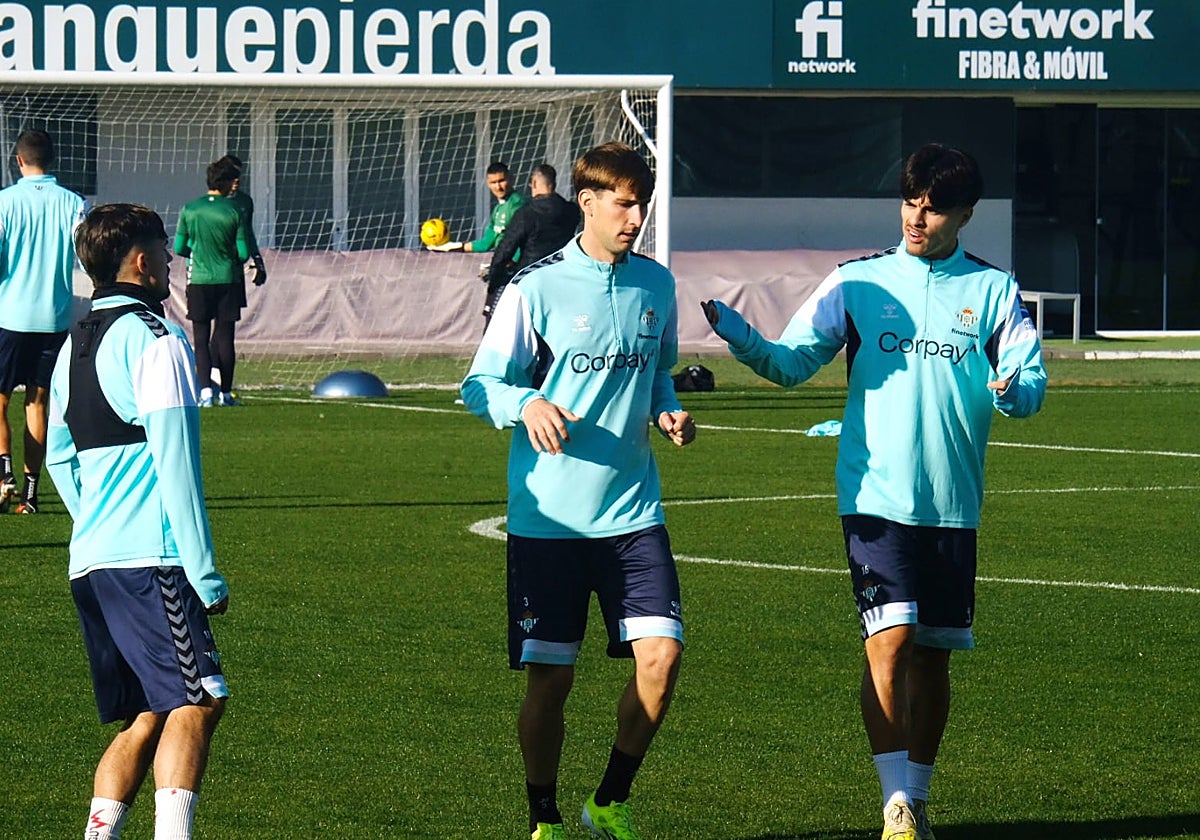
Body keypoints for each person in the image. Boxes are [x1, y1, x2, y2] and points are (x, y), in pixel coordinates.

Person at [702, 143, 1047, 840]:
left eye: (935, 207)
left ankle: (917, 794)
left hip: (951, 502)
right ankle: (894, 803)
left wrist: (1015, 390)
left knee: (933, 654)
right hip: (872, 496)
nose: (918, 217)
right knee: (888, 642)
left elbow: (1030, 379)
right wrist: (743, 339)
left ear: (965, 215)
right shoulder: (856, 282)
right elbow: (792, 363)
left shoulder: (993, 291)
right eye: (911, 201)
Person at [461, 141, 695, 840]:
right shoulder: (536, 287)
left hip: (632, 513)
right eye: (623, 203)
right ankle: (545, 818)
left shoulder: (657, 286)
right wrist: (525, 404)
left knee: (664, 657)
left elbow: (659, 374)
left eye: (641, 204)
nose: (635, 217)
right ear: (587, 203)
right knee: (550, 682)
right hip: (550, 521)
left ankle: (611, 800)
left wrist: (668, 409)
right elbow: (481, 385)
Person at [45, 203, 229, 840]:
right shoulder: (158, 339)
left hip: (91, 559)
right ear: (144, 262)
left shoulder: (73, 343)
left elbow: (57, 456)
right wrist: (204, 573)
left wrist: (94, 520)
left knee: (147, 714)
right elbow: (175, 463)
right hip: (151, 561)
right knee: (199, 699)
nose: (173, 263)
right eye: (165, 252)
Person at [0, 128, 87, 514]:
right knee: (38, 404)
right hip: (53, 318)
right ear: (52, 161)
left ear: (18, 160)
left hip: (9, 316)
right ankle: (30, 495)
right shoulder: (73, 203)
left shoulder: (5, 202)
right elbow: (85, 257)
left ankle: (4, 477)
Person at [175, 158, 251, 407]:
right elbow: (242, 253)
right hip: (228, 279)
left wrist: (200, 252)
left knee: (200, 338)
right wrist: (225, 255)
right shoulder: (233, 211)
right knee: (226, 338)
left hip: (199, 280)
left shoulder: (190, 209)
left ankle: (205, 392)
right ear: (225, 182)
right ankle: (226, 394)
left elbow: (179, 247)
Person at [481, 163, 581, 327]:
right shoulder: (571, 211)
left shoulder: (526, 213)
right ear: (554, 184)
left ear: (534, 184)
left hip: (530, 282)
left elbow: (506, 249)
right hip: (562, 280)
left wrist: (493, 278)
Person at [215, 154, 268, 288]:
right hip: (210, 268)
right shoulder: (208, 204)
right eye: (232, 174)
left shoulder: (245, 201)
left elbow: (248, 232)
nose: (237, 179)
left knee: (232, 307)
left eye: (238, 174)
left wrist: (257, 259)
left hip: (234, 267)